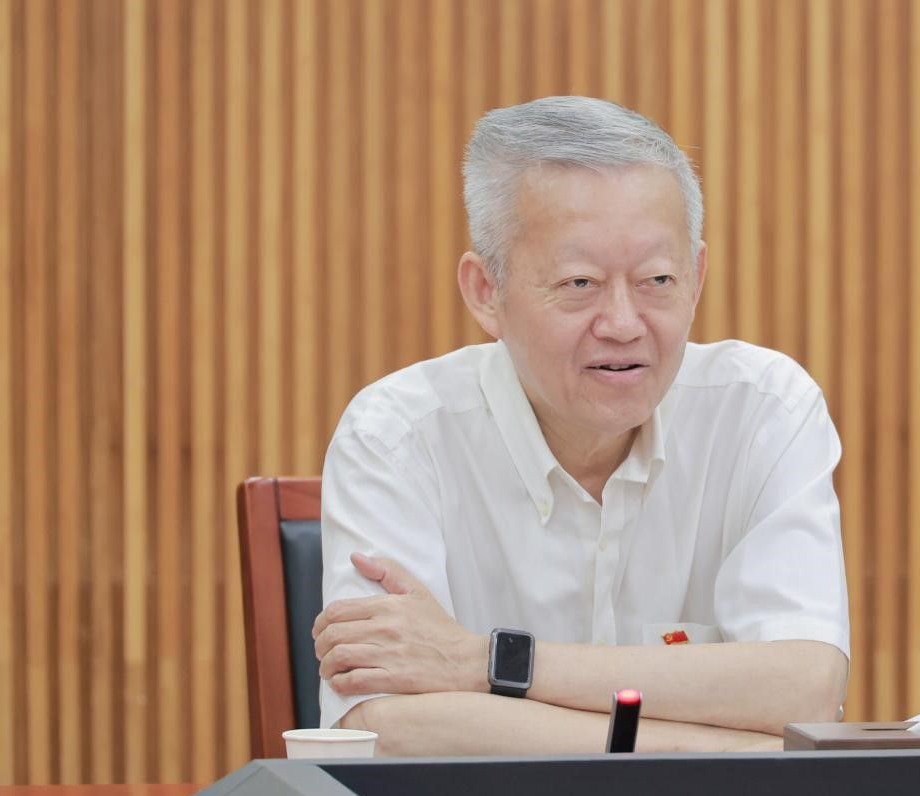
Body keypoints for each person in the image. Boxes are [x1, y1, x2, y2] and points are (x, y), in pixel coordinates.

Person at [312, 96, 849, 755]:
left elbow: (806, 689)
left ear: (698, 276)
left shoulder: (763, 411)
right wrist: (716, 746)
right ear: (486, 292)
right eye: (579, 284)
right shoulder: (397, 438)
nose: (622, 324)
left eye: (657, 279)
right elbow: (387, 728)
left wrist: (485, 662)